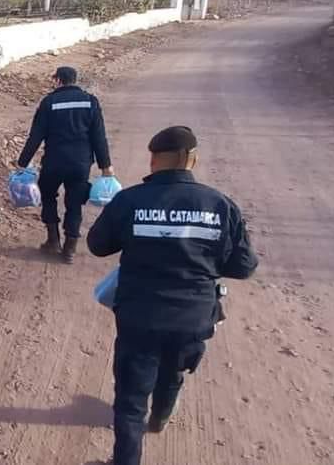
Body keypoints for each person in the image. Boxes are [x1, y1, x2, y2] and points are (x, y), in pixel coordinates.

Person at [87, 125, 259, 465]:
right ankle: (161, 416)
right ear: (191, 159)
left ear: (153, 160)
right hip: (193, 318)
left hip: (139, 317)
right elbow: (243, 267)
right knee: (173, 372)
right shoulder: (220, 205)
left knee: (130, 402)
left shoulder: (129, 200)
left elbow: (97, 245)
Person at [17, 66, 113, 263]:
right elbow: (98, 136)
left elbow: (36, 135)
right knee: (74, 203)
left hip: (54, 161)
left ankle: (53, 241)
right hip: (80, 163)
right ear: (75, 80)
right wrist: (106, 165)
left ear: (58, 80)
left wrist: (23, 162)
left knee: (47, 196)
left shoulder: (49, 102)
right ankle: (70, 248)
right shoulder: (90, 101)